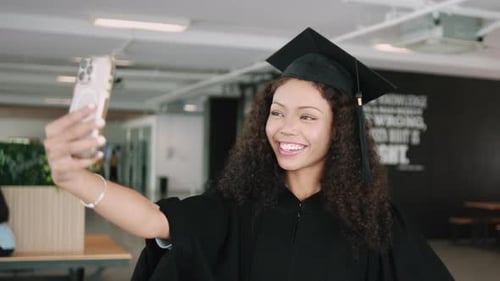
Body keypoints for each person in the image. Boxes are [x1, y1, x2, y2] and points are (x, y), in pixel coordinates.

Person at [44, 27, 454, 281]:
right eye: (277, 113)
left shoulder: (375, 223)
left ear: (340, 131)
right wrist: (79, 181)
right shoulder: (237, 207)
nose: (286, 128)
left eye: (307, 116)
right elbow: (154, 220)